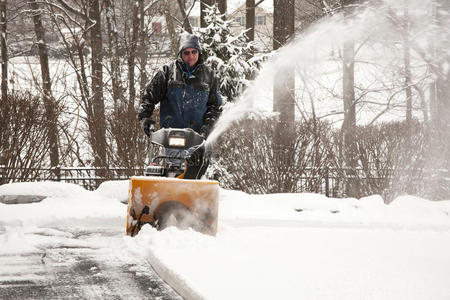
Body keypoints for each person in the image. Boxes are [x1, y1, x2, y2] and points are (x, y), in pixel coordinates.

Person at [138, 33, 222, 179]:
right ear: (180, 54)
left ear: (199, 52)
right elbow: (148, 98)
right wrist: (145, 119)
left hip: (198, 139)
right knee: (173, 173)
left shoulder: (209, 76)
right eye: (186, 52)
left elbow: (215, 107)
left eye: (194, 52)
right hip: (172, 137)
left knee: (194, 177)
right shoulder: (167, 73)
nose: (190, 56)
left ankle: (193, 200)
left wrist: (207, 127)